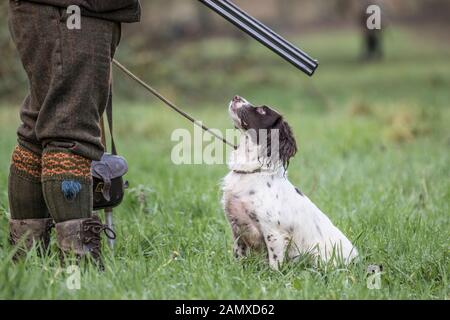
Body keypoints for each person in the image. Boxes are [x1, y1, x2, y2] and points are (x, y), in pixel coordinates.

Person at [7, 0, 140, 266]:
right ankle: (79, 267)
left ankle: (28, 263)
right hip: (71, 12)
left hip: (58, 11)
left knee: (40, 127)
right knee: (69, 132)